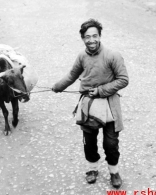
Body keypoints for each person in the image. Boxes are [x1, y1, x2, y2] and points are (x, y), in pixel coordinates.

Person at [52, 19, 129, 188]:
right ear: (83, 39)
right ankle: (92, 169)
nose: (91, 40)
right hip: (88, 105)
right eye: (87, 37)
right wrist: (57, 87)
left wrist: (101, 90)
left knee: (110, 143)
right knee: (89, 141)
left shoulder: (112, 55)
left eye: (95, 36)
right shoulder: (82, 56)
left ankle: (114, 172)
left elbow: (123, 80)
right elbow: (72, 75)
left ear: (100, 36)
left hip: (109, 105)